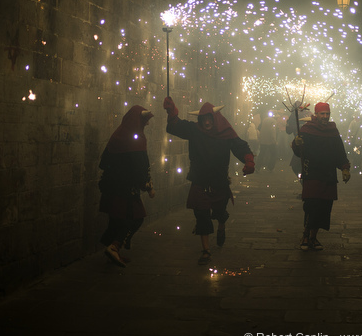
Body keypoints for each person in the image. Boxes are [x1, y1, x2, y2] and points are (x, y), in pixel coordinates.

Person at [163, 97, 255, 265]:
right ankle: (206, 250)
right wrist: (172, 111)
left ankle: (221, 225)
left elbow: (240, 146)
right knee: (202, 215)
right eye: (203, 119)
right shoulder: (195, 130)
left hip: (219, 180)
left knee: (219, 212)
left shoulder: (225, 132)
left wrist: (248, 160)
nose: (206, 122)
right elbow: (176, 126)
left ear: (214, 119)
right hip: (200, 180)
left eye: (209, 118)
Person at [99, 105, 155, 267]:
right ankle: (114, 248)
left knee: (115, 221)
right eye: (145, 121)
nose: (147, 124)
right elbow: (140, 168)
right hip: (125, 190)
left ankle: (112, 253)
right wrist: (147, 185)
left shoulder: (117, 135)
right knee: (135, 219)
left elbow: (103, 163)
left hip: (110, 186)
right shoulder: (136, 140)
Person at [292, 102, 350, 251]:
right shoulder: (307, 129)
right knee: (312, 206)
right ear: (316, 115)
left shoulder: (333, 130)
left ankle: (313, 237)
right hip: (311, 173)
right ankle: (305, 235)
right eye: (322, 114)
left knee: (324, 207)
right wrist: (296, 143)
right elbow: (299, 151)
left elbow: (339, 151)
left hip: (328, 174)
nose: (325, 117)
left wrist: (345, 167)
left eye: (327, 114)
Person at [286, 101, 312, 179]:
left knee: (298, 165)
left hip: (304, 142)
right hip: (300, 141)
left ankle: (306, 183)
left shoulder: (297, 114)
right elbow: (289, 130)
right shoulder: (307, 113)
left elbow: (289, 130)